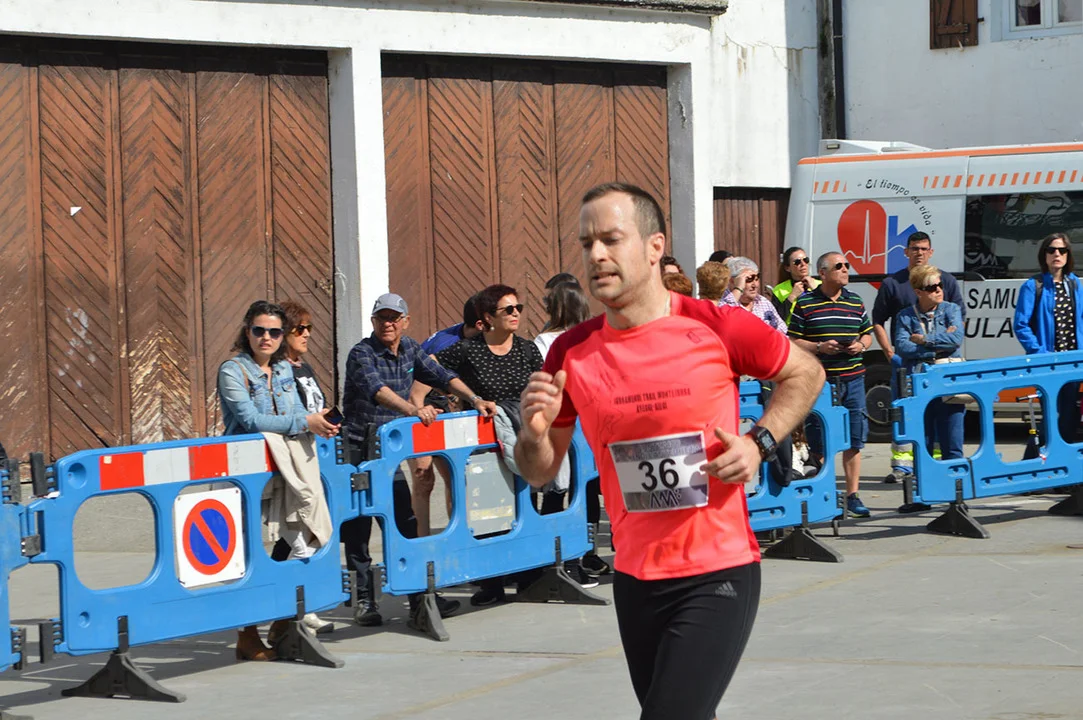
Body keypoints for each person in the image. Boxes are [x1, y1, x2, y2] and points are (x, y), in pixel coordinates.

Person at [515, 182, 824, 720]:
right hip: (635, 578)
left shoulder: (714, 326)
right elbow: (540, 473)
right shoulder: (571, 351)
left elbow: (807, 373)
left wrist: (758, 443)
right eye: (587, 243)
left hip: (716, 570)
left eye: (611, 239)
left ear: (655, 246)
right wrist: (533, 435)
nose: (596, 255)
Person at [341, 293, 495, 629]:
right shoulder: (361, 353)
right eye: (382, 318)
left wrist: (474, 398)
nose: (388, 324)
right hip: (357, 453)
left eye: (394, 318)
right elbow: (377, 390)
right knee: (359, 528)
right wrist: (414, 410)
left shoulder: (411, 348)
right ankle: (364, 600)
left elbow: (441, 374)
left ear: (405, 322)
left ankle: (419, 599)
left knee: (405, 524)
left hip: (388, 455)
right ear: (373, 322)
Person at [217, 300, 340, 661]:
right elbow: (251, 419)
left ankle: (284, 622)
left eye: (274, 331)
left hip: (285, 468)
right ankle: (247, 635)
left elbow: (296, 411)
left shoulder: (284, 368)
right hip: (245, 472)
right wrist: (304, 423)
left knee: (296, 538)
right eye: (259, 330)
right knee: (246, 553)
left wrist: (317, 421)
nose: (266, 338)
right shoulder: (232, 371)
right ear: (247, 331)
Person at [434, 284, 549, 606]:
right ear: (487, 317)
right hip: (482, 447)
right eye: (507, 309)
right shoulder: (468, 350)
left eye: (518, 308)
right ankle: (491, 582)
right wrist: (457, 397)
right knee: (487, 513)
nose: (515, 314)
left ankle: (528, 576)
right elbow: (429, 367)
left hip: (521, 439)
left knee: (525, 505)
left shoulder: (527, 349)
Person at [872, 231, 965, 482]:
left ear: (931, 252)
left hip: (942, 368)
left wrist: (925, 342)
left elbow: (957, 332)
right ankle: (904, 468)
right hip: (908, 368)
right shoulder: (893, 283)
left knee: (946, 422)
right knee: (908, 418)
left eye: (924, 248)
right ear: (906, 252)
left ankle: (940, 469)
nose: (919, 253)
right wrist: (890, 352)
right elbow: (880, 322)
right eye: (914, 248)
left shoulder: (947, 281)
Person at [788, 252, 874, 518]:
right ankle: (823, 497)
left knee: (854, 439)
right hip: (820, 383)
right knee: (819, 441)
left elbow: (867, 334)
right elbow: (792, 340)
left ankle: (853, 496)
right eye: (839, 266)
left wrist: (861, 346)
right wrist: (819, 347)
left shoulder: (855, 300)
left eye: (846, 265)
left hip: (853, 379)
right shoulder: (805, 303)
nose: (846, 269)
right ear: (823, 273)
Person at [533, 280, 610, 578]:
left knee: (577, 489)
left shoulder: (556, 340)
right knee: (569, 488)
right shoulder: (552, 340)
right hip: (574, 421)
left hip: (578, 423)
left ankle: (578, 553)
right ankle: (564, 556)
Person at [271, 298, 335, 635]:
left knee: (301, 537)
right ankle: (289, 611)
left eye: (309, 328)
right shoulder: (279, 372)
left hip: (312, 457)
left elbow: (312, 408)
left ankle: (290, 609)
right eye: (300, 328)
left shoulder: (304, 368)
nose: (307, 334)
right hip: (290, 461)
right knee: (300, 537)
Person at [409, 294, 485, 537]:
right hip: (419, 402)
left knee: (455, 475)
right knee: (424, 477)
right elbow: (416, 393)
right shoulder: (446, 346)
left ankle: (458, 537)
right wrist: (418, 418)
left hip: (447, 404)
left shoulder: (475, 338)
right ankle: (422, 542)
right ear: (481, 324)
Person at [1013, 232, 1083, 442]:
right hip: (1048, 362)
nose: (1057, 254)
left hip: (1072, 361)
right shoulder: (1033, 285)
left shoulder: (1074, 284)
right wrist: (1039, 353)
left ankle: (1064, 460)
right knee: (1051, 416)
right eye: (1051, 250)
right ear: (1044, 255)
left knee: (1070, 415)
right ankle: (1038, 457)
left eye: (1062, 250)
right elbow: (1021, 325)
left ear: (1068, 255)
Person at [893, 265, 966, 461]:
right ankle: (924, 479)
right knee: (923, 442)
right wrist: (937, 347)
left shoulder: (952, 309)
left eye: (940, 285)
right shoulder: (905, 316)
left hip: (948, 381)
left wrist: (924, 340)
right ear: (918, 292)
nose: (939, 290)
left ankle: (953, 478)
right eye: (932, 288)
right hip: (920, 383)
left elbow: (956, 339)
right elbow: (902, 347)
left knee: (953, 442)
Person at [720, 257, 786, 334]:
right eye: (749, 279)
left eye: (757, 279)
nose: (755, 285)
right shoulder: (722, 302)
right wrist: (738, 288)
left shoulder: (762, 302)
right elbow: (722, 318)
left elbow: (782, 329)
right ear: (732, 281)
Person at [771, 247, 820, 326]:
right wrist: (792, 297)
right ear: (787, 268)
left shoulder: (820, 284)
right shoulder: (779, 290)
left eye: (806, 260)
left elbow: (831, 310)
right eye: (797, 262)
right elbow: (775, 320)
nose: (803, 264)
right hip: (792, 331)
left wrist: (816, 290)